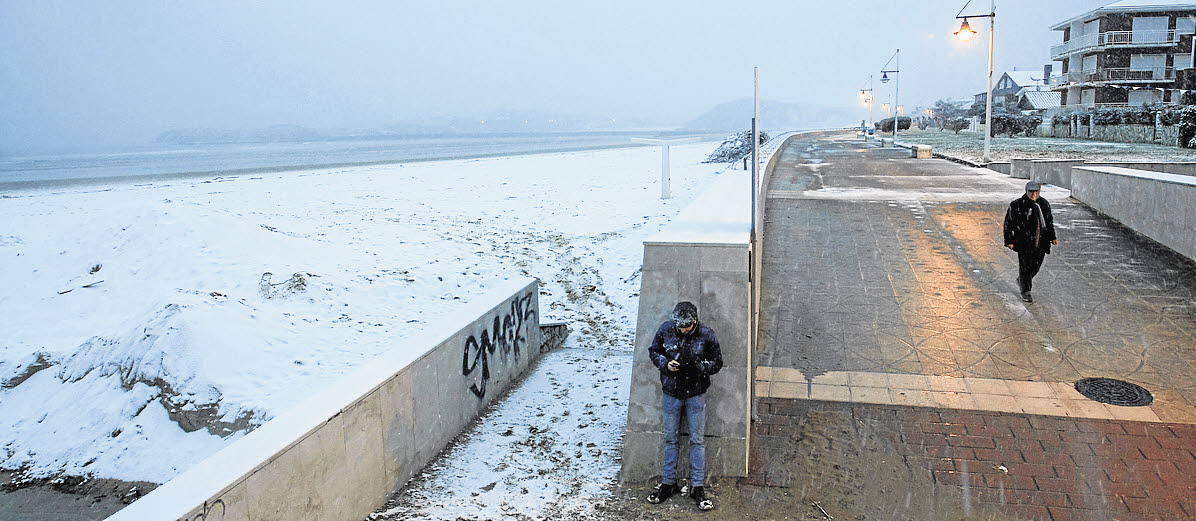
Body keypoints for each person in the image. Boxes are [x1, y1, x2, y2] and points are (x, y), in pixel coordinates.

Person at [644, 301, 723, 512]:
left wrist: (700, 366)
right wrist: (665, 364)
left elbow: (717, 363)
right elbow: (654, 352)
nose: (682, 330)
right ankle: (668, 482)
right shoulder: (666, 329)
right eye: (679, 326)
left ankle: (697, 486)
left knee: (697, 440)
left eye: (686, 327)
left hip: (696, 394)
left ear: (694, 322)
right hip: (672, 392)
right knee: (670, 438)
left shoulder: (707, 334)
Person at [1003, 181, 1059, 303]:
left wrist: (1052, 237)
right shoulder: (1017, 204)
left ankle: (1022, 281)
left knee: (1036, 266)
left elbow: (1049, 222)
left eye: (1036, 191)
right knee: (1025, 267)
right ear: (1026, 191)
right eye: (1031, 191)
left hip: (1041, 242)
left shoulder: (1044, 204)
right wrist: (1009, 240)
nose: (1033, 194)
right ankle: (1026, 291)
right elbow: (1008, 223)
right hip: (1024, 242)